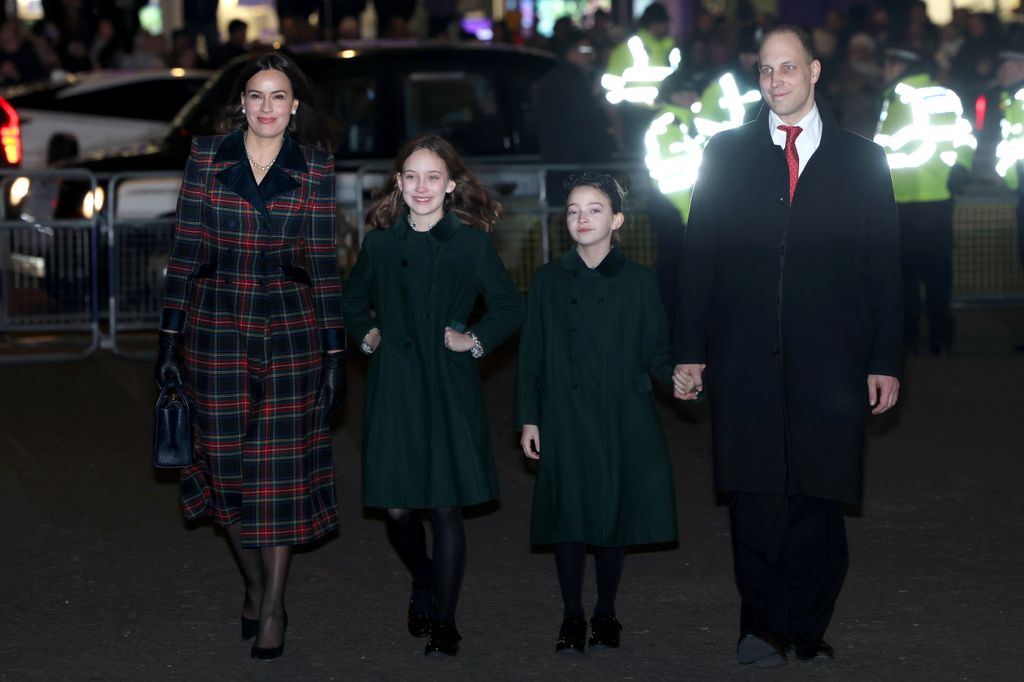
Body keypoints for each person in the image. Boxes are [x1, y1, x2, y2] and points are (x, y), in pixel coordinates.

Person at [674, 25, 904, 666]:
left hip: (832, 357)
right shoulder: (724, 154)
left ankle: (805, 625)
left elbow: (884, 270)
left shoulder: (864, 161)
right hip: (743, 354)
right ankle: (760, 624)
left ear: (815, 71)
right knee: (754, 494)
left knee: (818, 495)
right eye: (766, 70)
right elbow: (699, 259)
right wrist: (688, 348)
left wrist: (885, 359)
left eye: (788, 68)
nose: (776, 81)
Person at [154, 51, 346, 661]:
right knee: (227, 475)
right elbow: (185, 254)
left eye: (279, 96)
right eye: (257, 95)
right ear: (241, 102)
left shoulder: (315, 168)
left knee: (278, 476)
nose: (267, 107)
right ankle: (255, 581)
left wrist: (336, 351)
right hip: (215, 330)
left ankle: (273, 606)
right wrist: (166, 344)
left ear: (295, 106)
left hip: (291, 333)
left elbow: (323, 264)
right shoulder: (207, 159)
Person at [341, 135, 524, 657]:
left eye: (433, 177)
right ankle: (423, 576)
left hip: (447, 382)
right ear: (399, 184)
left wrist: (475, 339)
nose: (422, 187)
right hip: (395, 383)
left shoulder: (470, 243)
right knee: (398, 509)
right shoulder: (379, 244)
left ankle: (445, 619)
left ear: (450, 186)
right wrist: (366, 334)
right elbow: (351, 301)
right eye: (413, 177)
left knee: (445, 507)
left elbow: (509, 305)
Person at [516, 172, 684, 653]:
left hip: (617, 413)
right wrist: (529, 416)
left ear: (616, 220)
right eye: (572, 210)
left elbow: (655, 347)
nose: (582, 218)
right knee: (568, 517)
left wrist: (674, 375)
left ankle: (606, 610)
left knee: (611, 519)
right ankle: (572, 614)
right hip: (564, 413)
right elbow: (532, 355)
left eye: (593, 209)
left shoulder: (639, 281)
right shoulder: (548, 280)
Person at [874, 46, 975, 355]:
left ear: (898, 65)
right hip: (940, 197)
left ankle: (909, 337)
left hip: (903, 200)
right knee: (938, 273)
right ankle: (941, 337)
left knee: (904, 276)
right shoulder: (947, 95)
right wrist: (961, 168)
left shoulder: (899, 97)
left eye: (886, 64)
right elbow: (967, 136)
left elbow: (882, 147)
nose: (883, 71)